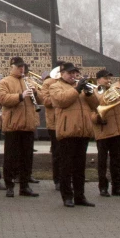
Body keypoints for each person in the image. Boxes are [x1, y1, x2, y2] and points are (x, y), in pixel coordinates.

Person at [49, 64, 99, 208]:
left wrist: (89, 93)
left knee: (79, 167)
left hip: (82, 132)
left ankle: (80, 196)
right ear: (62, 73)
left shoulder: (80, 87)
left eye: (75, 73)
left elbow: (96, 104)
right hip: (67, 132)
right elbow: (61, 100)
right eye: (70, 73)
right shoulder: (56, 86)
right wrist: (77, 89)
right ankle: (67, 196)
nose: (73, 75)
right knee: (66, 166)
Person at [0, 57, 42, 197]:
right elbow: (3, 99)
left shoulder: (29, 81)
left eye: (22, 66)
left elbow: (42, 100)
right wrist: (21, 96)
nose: (21, 69)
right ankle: (9, 185)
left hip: (28, 125)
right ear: (11, 67)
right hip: (13, 126)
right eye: (18, 66)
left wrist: (35, 93)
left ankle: (24, 186)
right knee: (11, 158)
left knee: (27, 158)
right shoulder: (4, 82)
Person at [92, 68, 120, 198]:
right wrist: (97, 118)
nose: (108, 81)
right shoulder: (93, 92)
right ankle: (103, 187)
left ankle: (117, 187)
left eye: (109, 78)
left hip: (117, 129)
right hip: (103, 130)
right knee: (102, 161)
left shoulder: (116, 90)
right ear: (98, 80)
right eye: (105, 78)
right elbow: (91, 111)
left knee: (117, 160)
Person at [40, 68, 60, 190]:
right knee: (57, 153)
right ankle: (57, 179)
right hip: (54, 122)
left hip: (68, 122)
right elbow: (46, 101)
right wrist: (62, 97)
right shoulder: (48, 83)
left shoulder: (73, 84)